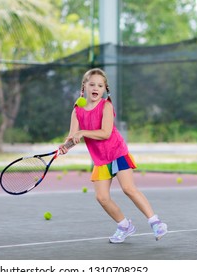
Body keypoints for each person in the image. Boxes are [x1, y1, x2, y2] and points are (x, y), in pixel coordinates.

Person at [59, 68, 167, 243]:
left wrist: (83, 132)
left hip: (117, 152)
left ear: (104, 89)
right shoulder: (76, 111)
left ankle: (156, 223)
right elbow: (73, 137)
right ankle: (124, 226)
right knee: (102, 197)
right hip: (100, 160)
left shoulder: (106, 105)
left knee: (128, 189)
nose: (96, 88)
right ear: (84, 86)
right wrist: (66, 146)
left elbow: (105, 133)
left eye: (100, 85)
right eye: (92, 84)